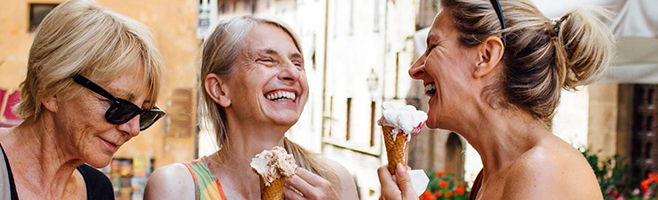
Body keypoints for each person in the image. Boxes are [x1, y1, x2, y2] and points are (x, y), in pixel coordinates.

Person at [378, 0, 614, 199]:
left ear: (486, 56)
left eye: (433, 47)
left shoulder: (541, 169)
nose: (415, 69)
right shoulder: (488, 177)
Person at [144, 15, 359, 200]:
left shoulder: (333, 181)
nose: (292, 74)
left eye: (297, 63)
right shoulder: (177, 187)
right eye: (267, 60)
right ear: (220, 90)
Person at [0, 0, 165, 199]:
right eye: (120, 106)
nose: (133, 129)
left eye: (145, 114)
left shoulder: (98, 190)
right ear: (51, 89)